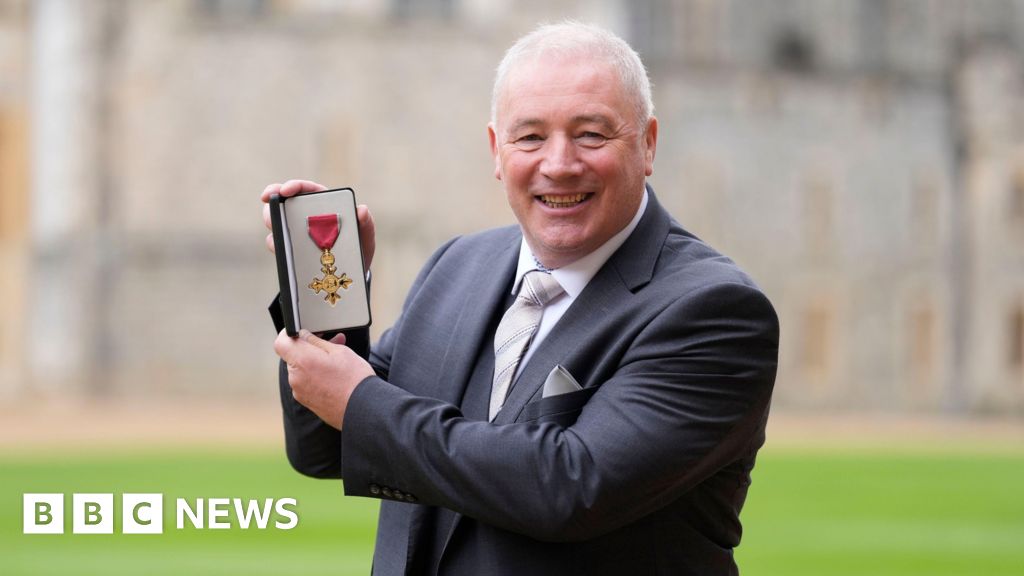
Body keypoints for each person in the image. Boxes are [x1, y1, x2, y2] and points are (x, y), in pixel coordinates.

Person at [261, 21, 778, 576]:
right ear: (496, 150)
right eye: (530, 137)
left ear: (648, 144)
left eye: (591, 135)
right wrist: (326, 289)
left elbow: (570, 488)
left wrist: (361, 401)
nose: (558, 163)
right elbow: (326, 446)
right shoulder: (456, 267)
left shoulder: (716, 311)